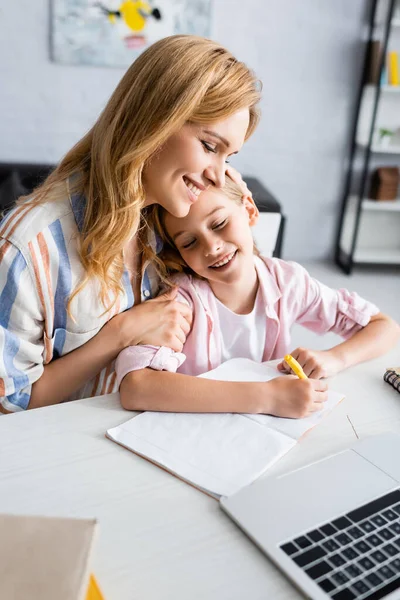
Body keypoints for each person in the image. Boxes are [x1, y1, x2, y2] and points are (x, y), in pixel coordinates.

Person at [0, 35, 261, 413]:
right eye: (209, 146)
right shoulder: (28, 246)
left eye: (229, 156)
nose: (220, 176)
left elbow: (249, 282)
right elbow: (10, 405)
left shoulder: (182, 210)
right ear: (153, 122)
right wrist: (121, 334)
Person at [116, 179, 400, 417]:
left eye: (219, 223)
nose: (212, 247)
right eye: (189, 242)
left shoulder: (287, 282)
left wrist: (335, 358)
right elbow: (135, 388)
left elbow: (384, 327)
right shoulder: (181, 301)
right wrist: (267, 397)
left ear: (249, 211)